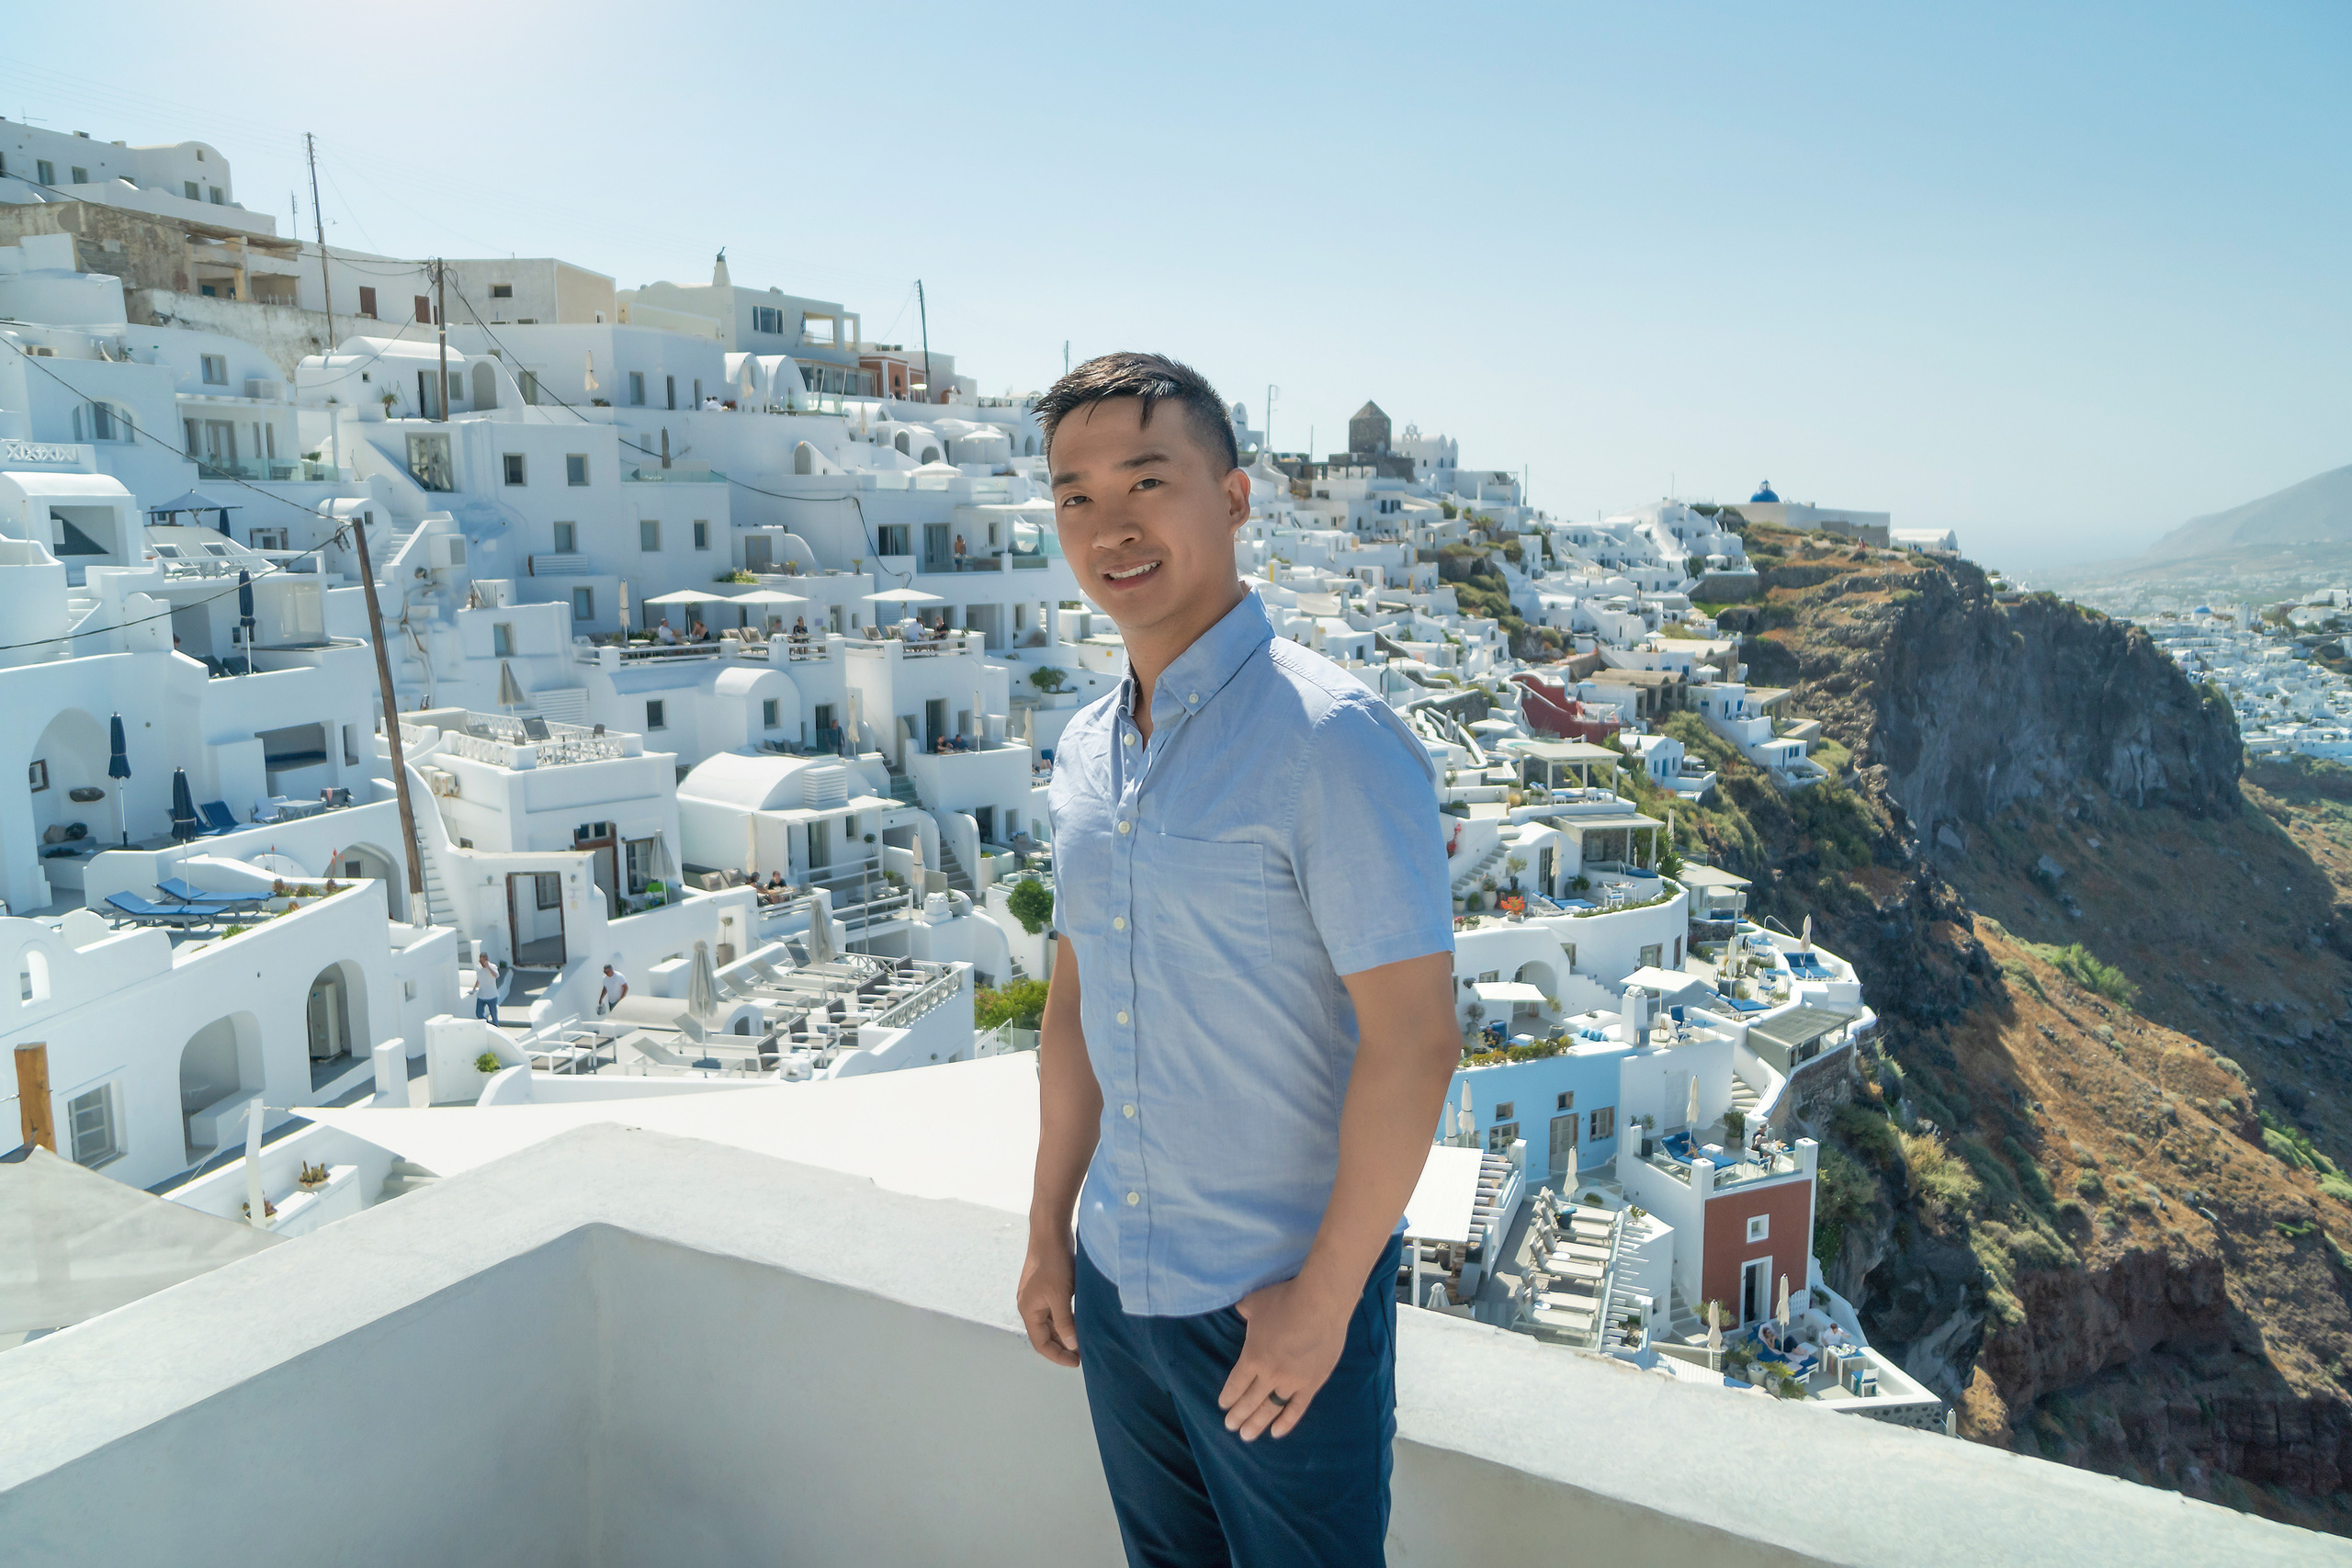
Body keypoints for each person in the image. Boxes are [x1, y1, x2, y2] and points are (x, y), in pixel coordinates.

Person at [1018, 353, 1457, 1566]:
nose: (1112, 525)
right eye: (1075, 495)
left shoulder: (1332, 739)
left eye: (1147, 480)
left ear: (1234, 498)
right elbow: (1076, 1009)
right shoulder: (1085, 749)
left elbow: (1418, 1040)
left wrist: (1321, 1304)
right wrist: (1052, 1227)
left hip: (1274, 1305)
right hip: (1119, 1283)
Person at [474, 953, 509, 1025]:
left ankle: (496, 1027)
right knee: (479, 1014)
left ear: (487, 960)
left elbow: (496, 975)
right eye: (480, 961)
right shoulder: (478, 968)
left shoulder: (493, 966)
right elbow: (479, 979)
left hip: (492, 996)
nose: (481, 963)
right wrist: (474, 988)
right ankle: (488, 1024)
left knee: (494, 1016)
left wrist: (488, 967)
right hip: (481, 996)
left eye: (482, 961)